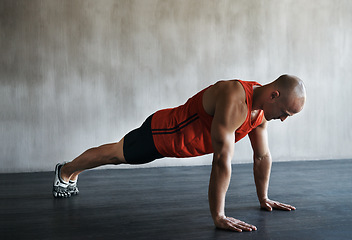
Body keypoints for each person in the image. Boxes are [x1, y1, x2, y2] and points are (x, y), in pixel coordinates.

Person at [53, 74, 306, 232]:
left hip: (182, 145)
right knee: (117, 154)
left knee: (117, 154)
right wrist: (218, 216)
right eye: (286, 113)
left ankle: (69, 169)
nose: (283, 120)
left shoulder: (259, 113)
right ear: (274, 95)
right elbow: (221, 160)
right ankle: (66, 170)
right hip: (163, 134)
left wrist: (264, 198)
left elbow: (262, 157)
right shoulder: (234, 99)